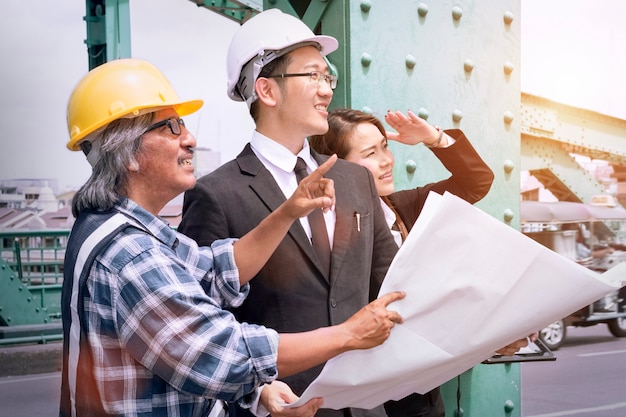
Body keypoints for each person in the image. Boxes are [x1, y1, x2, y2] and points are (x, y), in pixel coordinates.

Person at [59, 58, 405, 417]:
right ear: (127, 152)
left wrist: (287, 211)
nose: (190, 139)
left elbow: (213, 271)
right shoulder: (130, 255)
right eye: (172, 127)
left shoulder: (119, 229)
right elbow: (218, 353)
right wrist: (348, 335)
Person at [179, 9, 400, 417]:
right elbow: (205, 325)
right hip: (281, 407)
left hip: (365, 406)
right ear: (267, 90)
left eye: (326, 77)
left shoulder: (355, 180)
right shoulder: (216, 194)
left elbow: (393, 283)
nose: (326, 90)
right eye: (312, 75)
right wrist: (258, 389)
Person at [310, 108, 494, 417]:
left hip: (421, 394)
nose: (387, 160)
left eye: (386, 146)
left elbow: (476, 181)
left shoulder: (403, 207)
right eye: (371, 153)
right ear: (335, 167)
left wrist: (433, 138)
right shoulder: (318, 231)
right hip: (365, 396)